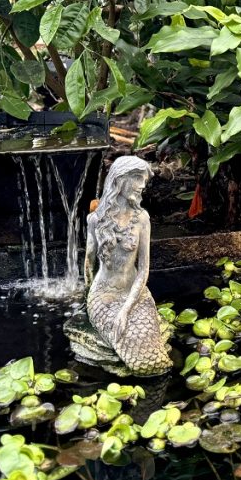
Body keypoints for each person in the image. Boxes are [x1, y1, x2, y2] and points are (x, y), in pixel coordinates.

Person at [84, 155, 172, 375]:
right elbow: (88, 262)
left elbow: (143, 270)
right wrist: (88, 297)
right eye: (136, 178)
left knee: (147, 345)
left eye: (144, 179)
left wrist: (125, 310)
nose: (142, 185)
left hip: (136, 294)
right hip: (103, 295)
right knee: (127, 339)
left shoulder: (142, 218)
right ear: (119, 179)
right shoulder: (96, 220)